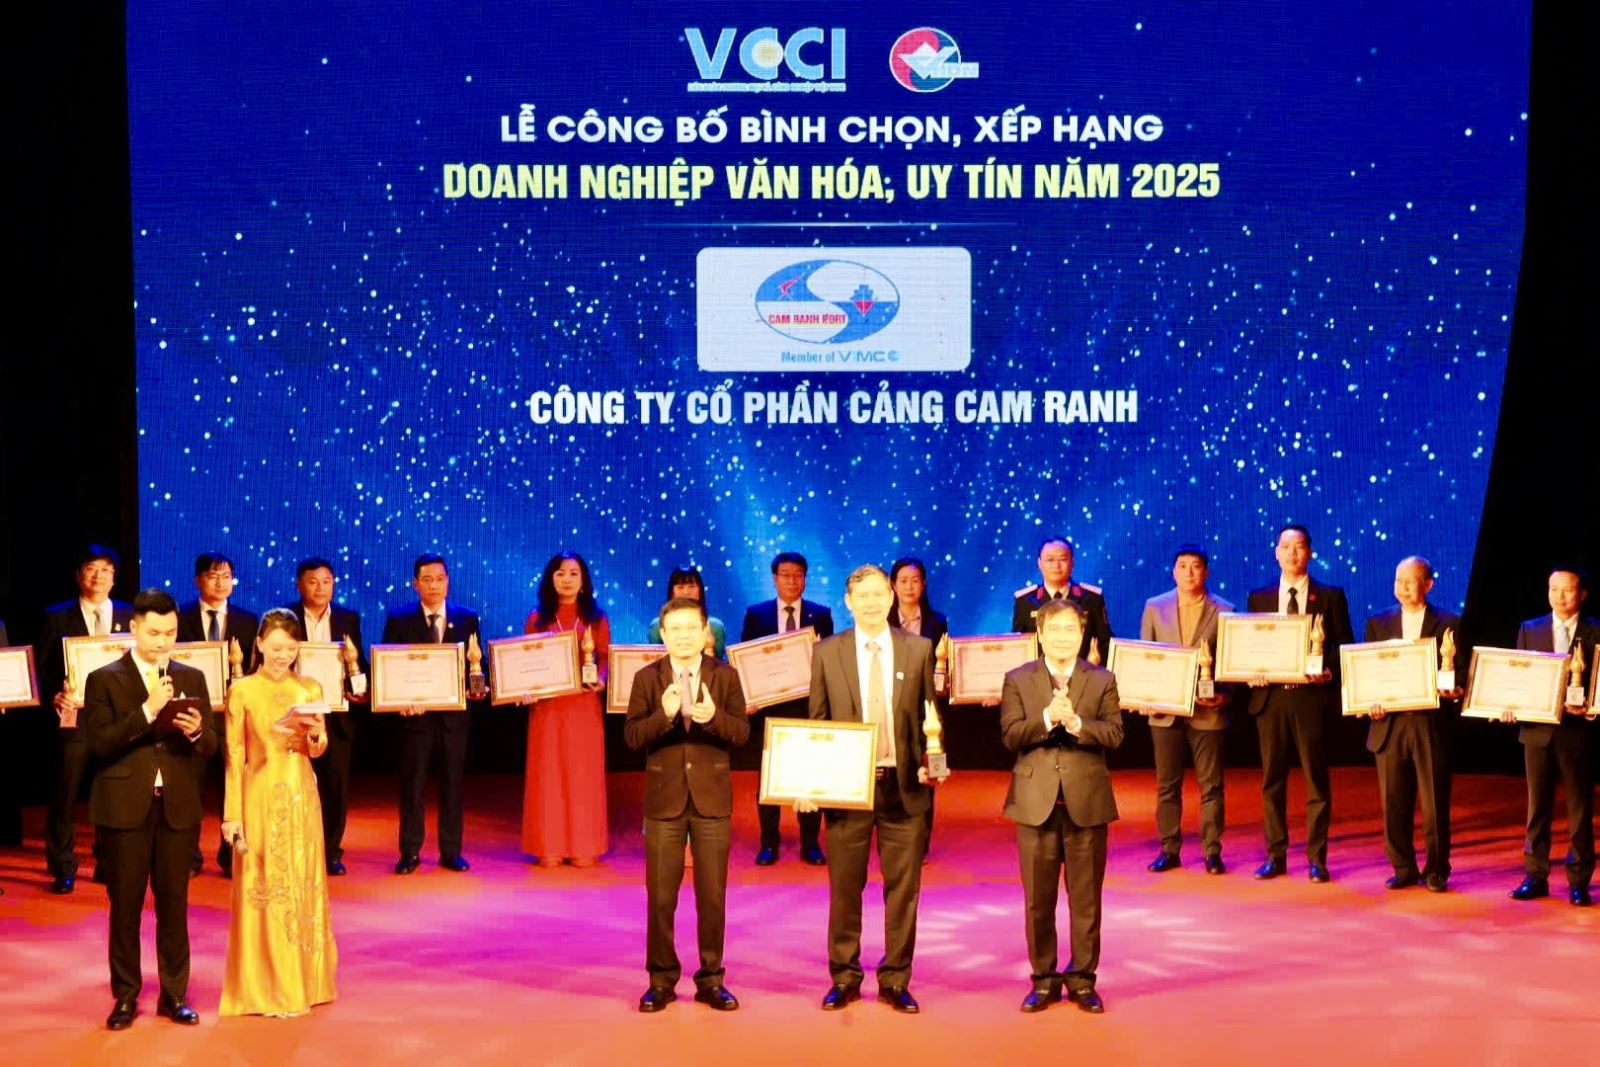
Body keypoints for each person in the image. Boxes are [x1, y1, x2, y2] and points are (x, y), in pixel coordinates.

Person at [801, 564, 939, 1014]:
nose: (873, 602)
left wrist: (934, 764)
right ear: (848, 602)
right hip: (849, 789)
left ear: (892, 597)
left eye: (880, 593)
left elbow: (931, 720)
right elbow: (818, 724)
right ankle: (844, 976)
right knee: (845, 888)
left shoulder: (918, 649)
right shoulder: (827, 652)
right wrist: (811, 781)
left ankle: (896, 979)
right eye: (863, 595)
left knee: (904, 890)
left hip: (904, 788)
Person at [82, 588, 214, 1030]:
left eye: (170, 633)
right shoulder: (103, 678)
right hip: (124, 807)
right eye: (154, 632)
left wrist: (197, 733)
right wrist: (147, 710)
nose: (162, 642)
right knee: (126, 906)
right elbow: (99, 745)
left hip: (177, 806)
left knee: (174, 905)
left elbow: (212, 744)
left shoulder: (192, 677)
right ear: (134, 627)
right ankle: (125, 996)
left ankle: (174, 995)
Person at [624, 597, 750, 1012]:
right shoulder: (646, 678)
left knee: (712, 896)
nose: (682, 636)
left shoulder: (726, 676)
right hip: (664, 801)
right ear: (663, 634)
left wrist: (713, 717)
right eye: (674, 629)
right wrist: (663, 715)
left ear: (705, 633)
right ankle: (661, 980)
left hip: (711, 799)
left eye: (690, 628)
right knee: (661, 897)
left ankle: (711, 980)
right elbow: (632, 737)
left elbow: (741, 734)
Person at [1000, 598, 1122, 1015]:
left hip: (1086, 801)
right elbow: (1011, 735)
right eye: (1054, 629)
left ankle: (1083, 980)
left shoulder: (1102, 679)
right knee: (1038, 900)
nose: (1063, 637)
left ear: (1083, 633)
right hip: (1035, 803)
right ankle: (1044, 980)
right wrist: (1048, 718)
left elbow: (1115, 735)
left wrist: (1078, 724)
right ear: (1040, 634)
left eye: (1071, 629)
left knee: (1086, 899)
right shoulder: (1018, 679)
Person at [219, 608, 338, 1015]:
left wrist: (318, 735)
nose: (283, 655)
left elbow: (317, 749)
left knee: (302, 883)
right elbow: (234, 755)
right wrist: (232, 815)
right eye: (275, 647)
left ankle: (305, 982)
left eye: (290, 648)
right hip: (259, 794)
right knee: (265, 885)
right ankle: (267, 987)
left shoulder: (309, 687)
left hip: (301, 795)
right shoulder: (242, 691)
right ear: (259, 645)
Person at [1245, 523, 1353, 882]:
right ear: (1276, 553)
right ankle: (1275, 855)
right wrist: (1251, 671)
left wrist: (1327, 668)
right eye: (1286, 547)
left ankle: (1316, 858)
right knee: (1272, 782)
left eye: (1300, 546)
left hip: (1310, 700)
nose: (1293, 553)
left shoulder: (1330, 595)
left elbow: (1343, 644)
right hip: (1271, 700)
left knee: (1316, 781)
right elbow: (1249, 646)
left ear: (1310, 552)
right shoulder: (1258, 598)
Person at [1361, 557, 1460, 893]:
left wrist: (1454, 687)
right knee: (1394, 803)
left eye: (1410, 581)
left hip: (1429, 724)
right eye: (1398, 580)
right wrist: (1369, 701)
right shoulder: (1378, 622)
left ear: (1428, 585)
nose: (1402, 587)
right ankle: (1402, 867)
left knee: (1434, 805)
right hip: (1389, 725)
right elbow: (1368, 672)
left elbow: (1459, 670)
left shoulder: (1448, 622)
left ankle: (1436, 869)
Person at [38, 544, 133, 893]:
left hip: (117, 720)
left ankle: (106, 861)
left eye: (106, 570)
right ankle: (63, 865)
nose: (99, 576)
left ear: (114, 577)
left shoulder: (130, 614)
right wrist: (54, 693)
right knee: (65, 794)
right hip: (74, 718)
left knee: (112, 791)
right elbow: (42, 668)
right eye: (92, 569)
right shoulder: (56, 616)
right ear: (79, 575)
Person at [1136, 544, 1232, 875]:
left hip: (1208, 711)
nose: (1189, 572)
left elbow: (1231, 663)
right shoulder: (1154, 607)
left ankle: (1212, 851)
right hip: (1165, 711)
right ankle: (1169, 848)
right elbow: (1145, 658)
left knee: (1211, 785)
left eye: (1195, 566)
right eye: (1182, 566)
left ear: (1206, 572)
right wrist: (1144, 694)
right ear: (1173, 571)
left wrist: (1225, 696)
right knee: (1167, 785)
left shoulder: (1225, 610)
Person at [382, 553, 481, 874]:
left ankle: (451, 851)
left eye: (439, 579)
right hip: (415, 719)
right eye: (427, 579)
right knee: (412, 785)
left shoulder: (467, 618)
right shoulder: (399, 619)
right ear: (415, 584)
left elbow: (475, 666)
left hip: (454, 720)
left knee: (453, 785)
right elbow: (389, 668)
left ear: (447, 581)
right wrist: (397, 699)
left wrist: (476, 687)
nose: (434, 585)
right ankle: (410, 851)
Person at [1506, 566, 1597, 906]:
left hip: (1578, 734)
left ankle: (1579, 881)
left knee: (1579, 809)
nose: (1560, 596)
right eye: (1553, 588)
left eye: (1568, 589)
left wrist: (1592, 708)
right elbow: (1518, 678)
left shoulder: (1596, 631)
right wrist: (1510, 705)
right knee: (1537, 808)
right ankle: (1535, 876)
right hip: (1537, 733)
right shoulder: (1530, 629)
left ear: (1582, 594)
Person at [741, 550, 834, 867]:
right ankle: (769, 843)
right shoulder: (757, 615)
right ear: (774, 579)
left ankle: (811, 843)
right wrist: (750, 695)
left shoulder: (821, 615)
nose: (792, 580)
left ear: (805, 579)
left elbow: (829, 661)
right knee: (769, 780)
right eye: (785, 574)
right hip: (769, 710)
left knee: (809, 777)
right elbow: (746, 660)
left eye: (798, 575)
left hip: (808, 708)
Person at [523, 551, 610, 867]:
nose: (567, 579)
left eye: (574, 573)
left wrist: (601, 679)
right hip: (547, 708)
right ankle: (549, 843)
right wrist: (525, 688)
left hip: (583, 706)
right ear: (551, 580)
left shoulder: (597, 618)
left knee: (582, 773)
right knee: (548, 773)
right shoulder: (537, 618)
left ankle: (584, 843)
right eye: (560, 573)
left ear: (583, 581)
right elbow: (526, 661)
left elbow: (605, 659)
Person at [284, 557, 367, 876]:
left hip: (336, 716)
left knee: (335, 787)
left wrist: (359, 688)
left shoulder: (348, 618)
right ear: (299, 584)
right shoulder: (285, 618)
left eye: (327, 581)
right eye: (312, 581)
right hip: (296, 715)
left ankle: (331, 851)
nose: (320, 588)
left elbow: (357, 666)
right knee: (294, 785)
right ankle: (295, 849)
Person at [177, 551, 259, 877]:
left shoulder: (248, 620)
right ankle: (189, 857)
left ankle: (231, 856)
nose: (220, 583)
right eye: (213, 576)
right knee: (191, 789)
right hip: (193, 716)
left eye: (226, 576)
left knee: (232, 789)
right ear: (198, 580)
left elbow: (255, 670)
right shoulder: (179, 617)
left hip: (233, 718)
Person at [887, 557, 948, 853]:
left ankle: (921, 843)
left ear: (923, 584)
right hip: (891, 707)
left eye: (915, 580)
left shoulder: (937, 621)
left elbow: (941, 670)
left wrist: (942, 663)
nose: (909, 587)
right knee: (894, 772)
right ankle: (893, 838)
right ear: (893, 585)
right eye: (903, 581)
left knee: (929, 772)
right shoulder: (883, 622)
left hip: (929, 710)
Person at [1011, 535, 1112, 663]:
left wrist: (1095, 669)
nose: (1056, 566)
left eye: (1063, 559)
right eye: (1050, 560)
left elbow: (1106, 643)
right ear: (1039, 563)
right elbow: (1017, 646)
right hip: (1039, 674)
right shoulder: (1025, 601)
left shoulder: (1091, 598)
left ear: (1072, 563)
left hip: (1083, 672)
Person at [646, 565, 728, 660]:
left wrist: (709, 647)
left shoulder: (715, 627)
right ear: (672, 592)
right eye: (680, 587)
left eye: (691, 586)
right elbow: (654, 664)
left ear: (700, 591)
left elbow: (719, 666)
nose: (686, 592)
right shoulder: (658, 627)